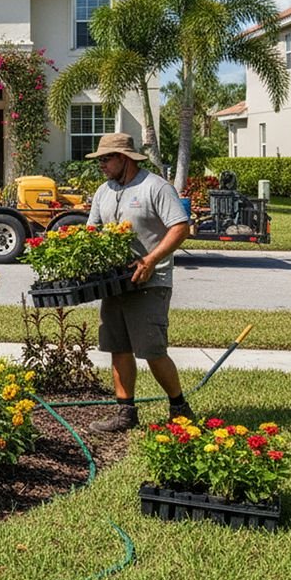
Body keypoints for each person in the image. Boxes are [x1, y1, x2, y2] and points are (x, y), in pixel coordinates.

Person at [84, 132, 193, 432]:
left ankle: (180, 408)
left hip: (150, 282)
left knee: (152, 350)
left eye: (106, 159)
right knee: (118, 347)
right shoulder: (103, 191)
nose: (102, 165)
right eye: (100, 160)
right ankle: (125, 414)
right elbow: (91, 232)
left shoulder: (154, 187)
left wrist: (150, 260)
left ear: (124, 158)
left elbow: (180, 228)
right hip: (114, 283)